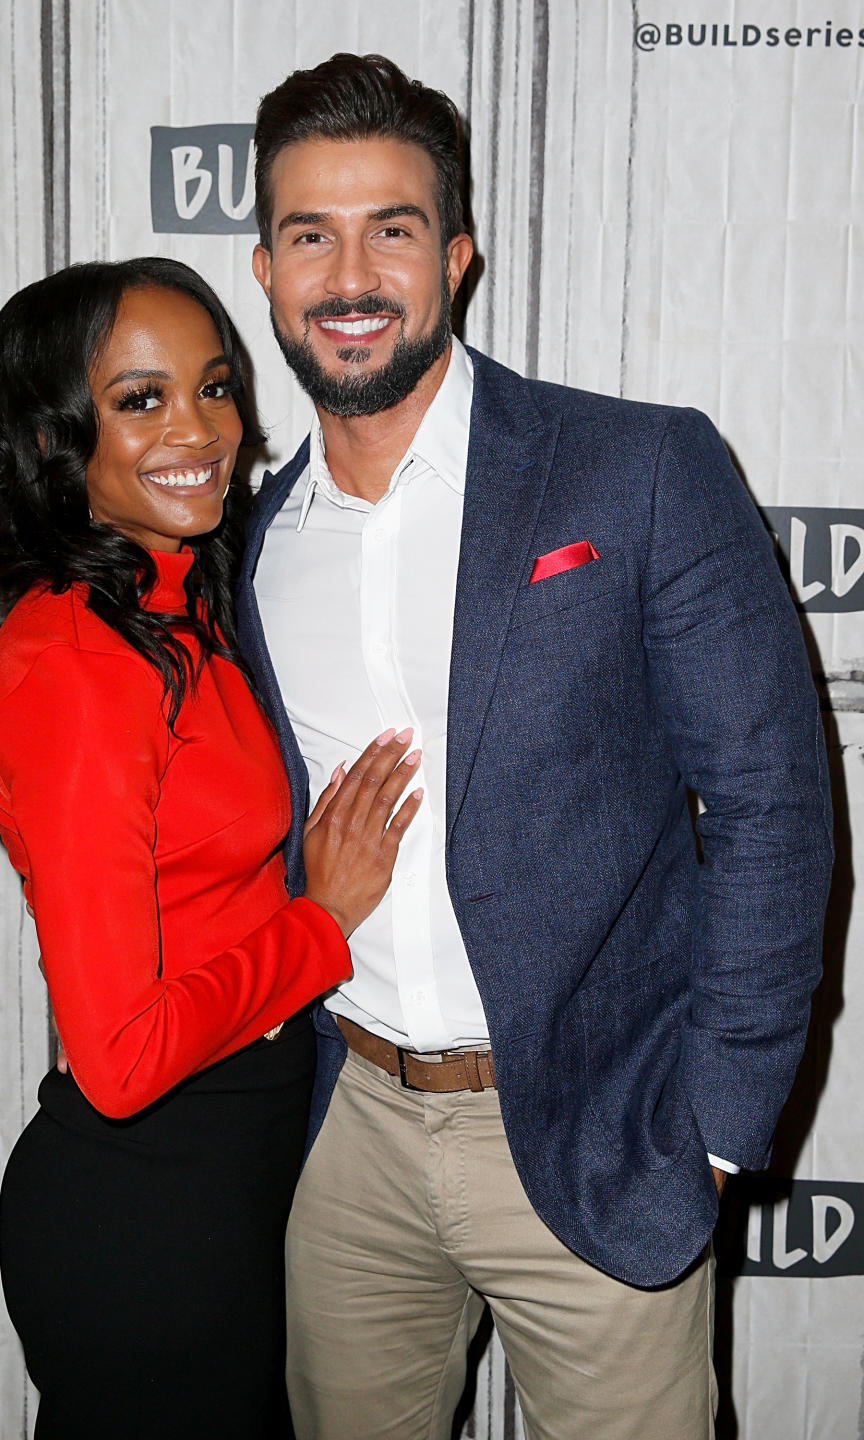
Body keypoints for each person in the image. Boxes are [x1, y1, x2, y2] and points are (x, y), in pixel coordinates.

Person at [235, 53, 834, 1440]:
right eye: (311, 235)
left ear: (456, 254)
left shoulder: (637, 468)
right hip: (350, 1138)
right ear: (265, 271)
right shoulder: (253, 546)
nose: (352, 272)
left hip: (608, 1123)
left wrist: (722, 1126)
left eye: (391, 227)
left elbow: (771, 803)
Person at [0, 255, 422, 1439]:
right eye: (140, 398)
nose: (199, 430)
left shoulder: (184, 609)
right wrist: (320, 923)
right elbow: (119, 1058)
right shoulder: (76, 662)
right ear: (56, 439)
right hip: (150, 1204)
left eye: (215, 388)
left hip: (239, 1172)